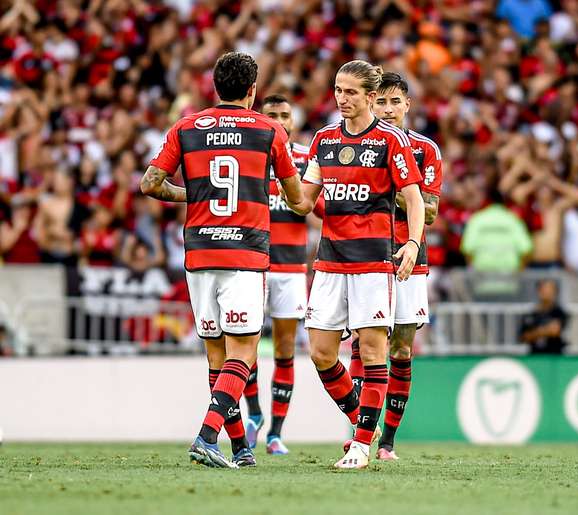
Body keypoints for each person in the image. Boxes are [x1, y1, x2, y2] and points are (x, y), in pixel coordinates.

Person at [140, 52, 305, 469]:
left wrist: (191, 196)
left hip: (198, 252)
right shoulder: (270, 131)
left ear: (215, 87)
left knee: (217, 357)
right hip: (244, 253)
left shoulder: (187, 126)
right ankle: (207, 435)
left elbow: (150, 183)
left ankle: (242, 450)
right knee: (244, 353)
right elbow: (298, 199)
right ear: (252, 90)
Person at [286, 60, 425, 469]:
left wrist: (413, 243)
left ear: (369, 96)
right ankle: (362, 418)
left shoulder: (390, 141)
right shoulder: (324, 140)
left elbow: (414, 199)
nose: (341, 98)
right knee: (321, 352)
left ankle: (361, 445)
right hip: (329, 261)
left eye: (350, 92)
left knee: (372, 348)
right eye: (337, 90)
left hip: (372, 262)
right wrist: (277, 176)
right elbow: (303, 202)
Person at [344, 71, 441, 460]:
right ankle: (361, 430)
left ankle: (388, 442)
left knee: (400, 349)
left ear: (407, 105)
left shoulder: (424, 149)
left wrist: (394, 190)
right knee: (361, 342)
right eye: (380, 102)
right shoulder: (358, 142)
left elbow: (430, 210)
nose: (387, 109)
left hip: (407, 257)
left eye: (394, 102)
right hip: (365, 254)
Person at [241, 94, 310, 455]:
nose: (280, 121)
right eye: (273, 115)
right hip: (253, 264)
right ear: (260, 117)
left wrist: (296, 191)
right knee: (246, 345)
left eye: (285, 115)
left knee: (284, 350)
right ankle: (253, 414)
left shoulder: (305, 158)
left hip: (291, 268)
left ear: (293, 122)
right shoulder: (249, 155)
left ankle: (276, 434)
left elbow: (319, 207)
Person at [519, 279, 567, 354]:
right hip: (534, 355)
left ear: (555, 293)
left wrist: (534, 333)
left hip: (554, 356)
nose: (547, 293)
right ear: (538, 291)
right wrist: (545, 330)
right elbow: (523, 337)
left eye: (550, 290)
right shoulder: (531, 314)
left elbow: (555, 331)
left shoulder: (559, 313)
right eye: (544, 289)